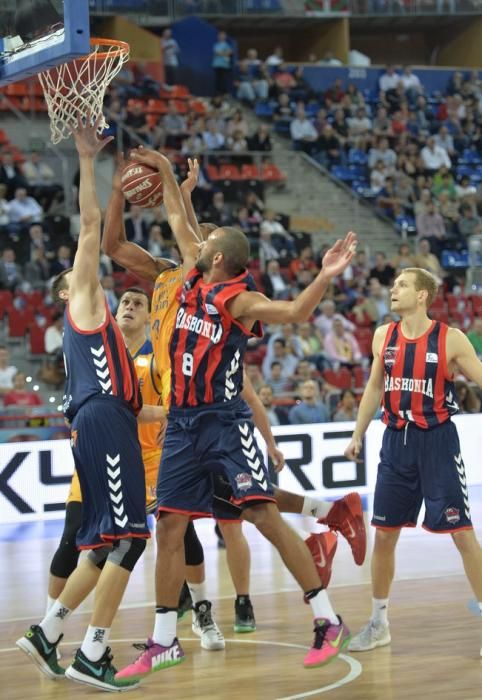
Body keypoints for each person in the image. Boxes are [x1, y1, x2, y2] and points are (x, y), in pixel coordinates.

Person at [110, 146, 359, 680]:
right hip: (181, 422)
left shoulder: (238, 300)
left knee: (263, 515)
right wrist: (163, 166)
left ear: (218, 256)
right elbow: (177, 213)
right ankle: (163, 640)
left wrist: (325, 275)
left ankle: (326, 619)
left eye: (206, 243)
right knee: (170, 526)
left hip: (225, 423)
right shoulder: (192, 278)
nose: (195, 242)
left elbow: (294, 312)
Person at [15, 118, 163, 692]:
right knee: (130, 538)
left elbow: (140, 408)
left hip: (106, 421)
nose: (102, 278)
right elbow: (92, 225)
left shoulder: (110, 335)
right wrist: (88, 159)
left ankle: (48, 634)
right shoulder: (85, 303)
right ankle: (91, 654)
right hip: (102, 418)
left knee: (105, 542)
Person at [344, 267, 482, 654]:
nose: (393, 289)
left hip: (437, 442)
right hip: (395, 443)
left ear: (422, 295)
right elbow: (374, 386)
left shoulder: (450, 339)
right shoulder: (382, 336)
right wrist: (357, 433)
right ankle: (379, 622)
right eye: (394, 284)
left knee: (462, 534)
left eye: (402, 285)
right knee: (384, 535)